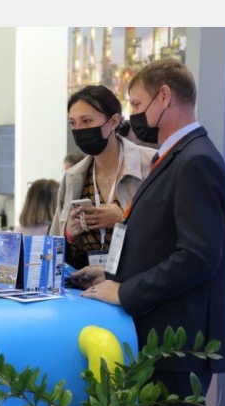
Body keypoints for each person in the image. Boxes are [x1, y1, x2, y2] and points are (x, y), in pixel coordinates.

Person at [72, 58, 225, 406]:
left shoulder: (195, 160)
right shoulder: (174, 157)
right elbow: (160, 241)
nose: (133, 115)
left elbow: (197, 256)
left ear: (164, 97)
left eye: (137, 103)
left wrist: (126, 291)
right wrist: (111, 275)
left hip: (176, 346)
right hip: (158, 341)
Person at [50, 85, 157, 270]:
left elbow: (165, 235)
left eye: (87, 121)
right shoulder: (73, 177)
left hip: (133, 282)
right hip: (83, 282)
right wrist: (69, 234)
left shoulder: (151, 164)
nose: (79, 130)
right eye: (73, 123)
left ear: (114, 121)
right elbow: (53, 251)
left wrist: (123, 221)